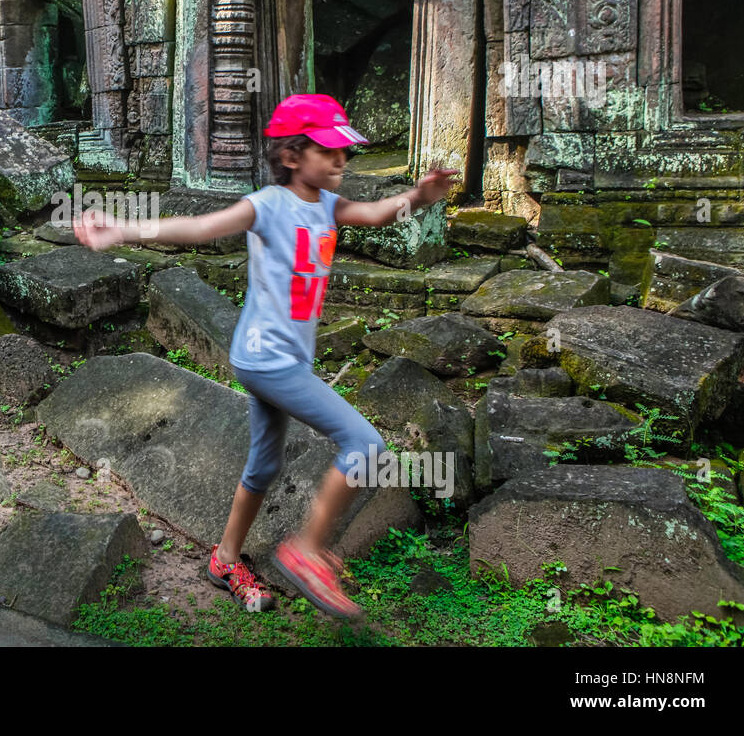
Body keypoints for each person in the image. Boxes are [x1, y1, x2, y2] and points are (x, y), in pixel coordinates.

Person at [74, 94, 459, 618]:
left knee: (265, 463)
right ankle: (304, 552)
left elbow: (378, 213)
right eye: (329, 150)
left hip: (285, 364)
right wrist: (121, 228)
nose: (342, 161)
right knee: (366, 446)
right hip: (264, 360)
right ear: (292, 156)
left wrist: (422, 195)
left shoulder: (329, 207)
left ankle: (226, 559)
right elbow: (201, 228)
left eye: (345, 151)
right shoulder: (267, 205)